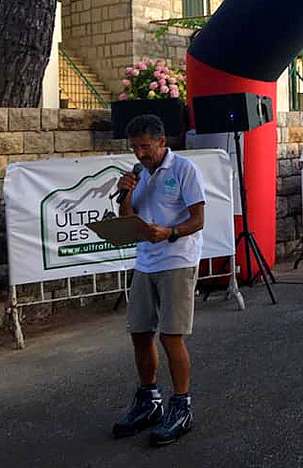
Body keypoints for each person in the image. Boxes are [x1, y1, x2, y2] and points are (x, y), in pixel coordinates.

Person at [111, 114, 206, 446]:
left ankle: (182, 405)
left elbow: (198, 219)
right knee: (139, 333)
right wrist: (125, 194)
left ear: (162, 142)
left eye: (145, 147)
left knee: (170, 336)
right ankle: (148, 401)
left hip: (177, 260)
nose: (139, 154)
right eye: (135, 147)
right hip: (145, 262)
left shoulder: (184, 170)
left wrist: (170, 232)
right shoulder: (138, 175)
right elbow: (126, 219)